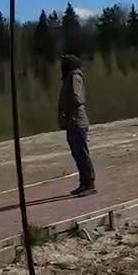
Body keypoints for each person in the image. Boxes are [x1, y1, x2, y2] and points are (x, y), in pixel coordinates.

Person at [58, 54, 95, 196]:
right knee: (77, 154)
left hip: (77, 121)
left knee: (82, 154)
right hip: (72, 122)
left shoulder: (74, 77)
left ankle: (89, 184)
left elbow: (78, 98)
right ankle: (83, 183)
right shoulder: (69, 78)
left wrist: (66, 109)